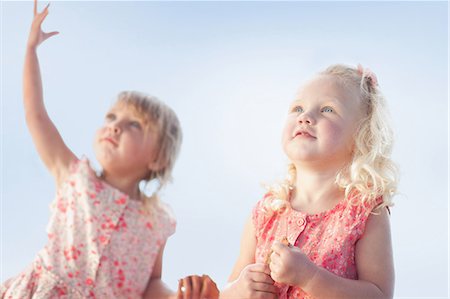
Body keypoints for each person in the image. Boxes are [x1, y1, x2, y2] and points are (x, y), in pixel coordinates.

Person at [1, 1, 218, 298]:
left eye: (135, 125)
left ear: (158, 158)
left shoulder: (156, 222)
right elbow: (35, 115)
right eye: (112, 118)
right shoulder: (76, 178)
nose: (115, 126)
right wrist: (30, 51)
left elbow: (151, 284)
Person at [220, 64, 397, 298]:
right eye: (298, 108)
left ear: (361, 136)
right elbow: (230, 288)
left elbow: (379, 295)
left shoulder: (364, 213)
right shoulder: (266, 212)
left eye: (327, 109)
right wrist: (238, 291)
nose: (305, 117)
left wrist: (310, 277)